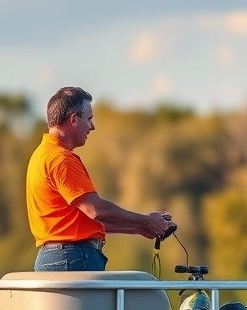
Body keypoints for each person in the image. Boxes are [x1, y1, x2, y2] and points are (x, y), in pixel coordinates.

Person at [27, 86, 176, 271]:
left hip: (57, 257)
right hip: (72, 257)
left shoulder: (41, 155)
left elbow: (81, 221)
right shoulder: (61, 159)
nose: (92, 126)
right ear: (74, 119)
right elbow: (95, 210)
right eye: (88, 119)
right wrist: (147, 222)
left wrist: (137, 228)